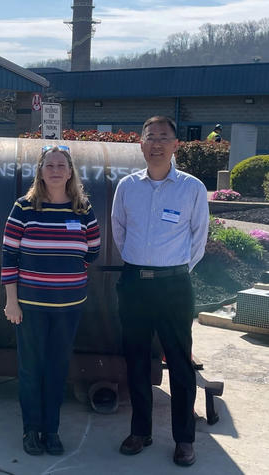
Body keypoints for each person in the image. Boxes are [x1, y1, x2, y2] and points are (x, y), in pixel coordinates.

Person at [111, 116, 209, 467]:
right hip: (135, 284)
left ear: (175, 145)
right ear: (141, 143)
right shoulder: (127, 186)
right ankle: (141, 431)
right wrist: (140, 264)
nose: (156, 144)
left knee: (180, 365)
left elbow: (198, 239)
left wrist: (175, 269)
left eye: (164, 138)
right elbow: (119, 231)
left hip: (174, 287)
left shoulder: (192, 188)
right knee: (136, 361)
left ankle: (184, 440)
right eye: (150, 137)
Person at [2, 144, 100, 456]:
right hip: (30, 308)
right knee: (31, 369)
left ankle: (52, 431)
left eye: (61, 165)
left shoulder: (82, 210)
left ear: (70, 172)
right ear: (41, 172)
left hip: (68, 308)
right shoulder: (24, 208)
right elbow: (9, 256)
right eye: (49, 165)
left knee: (57, 369)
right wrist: (11, 301)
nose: (55, 170)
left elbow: (92, 251)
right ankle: (31, 430)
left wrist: (68, 275)